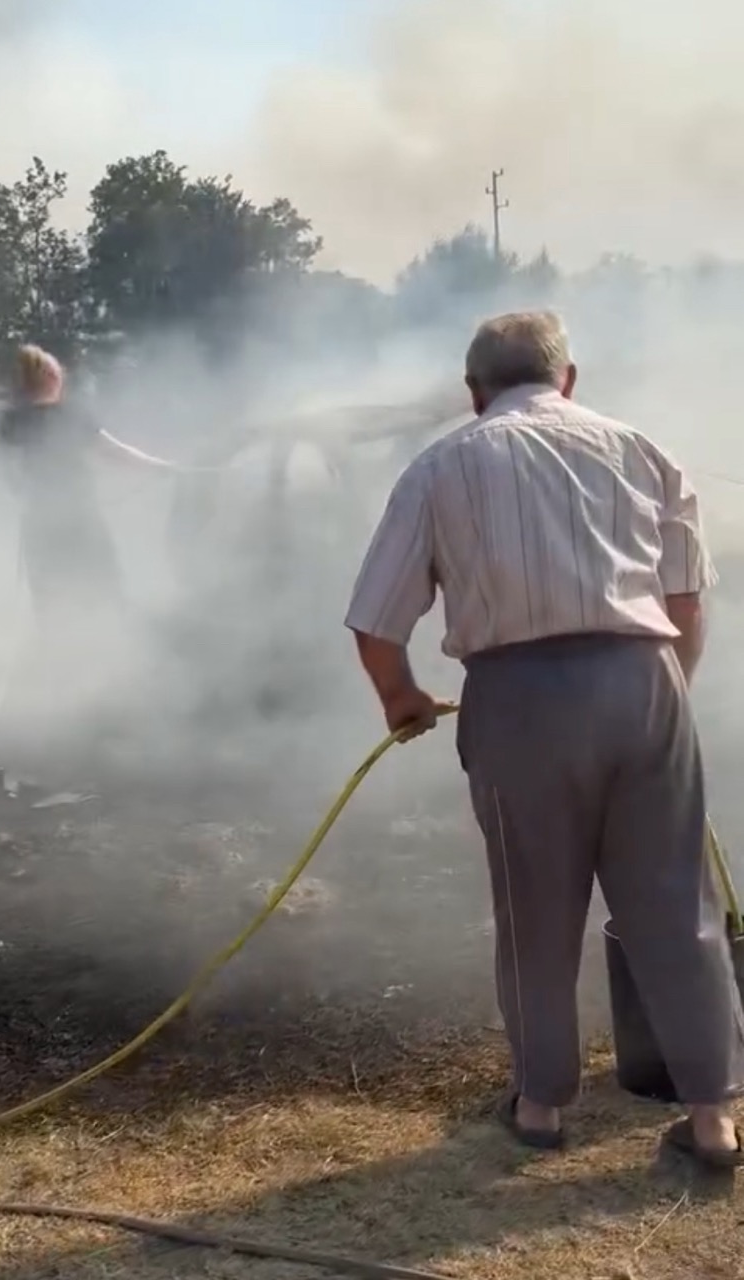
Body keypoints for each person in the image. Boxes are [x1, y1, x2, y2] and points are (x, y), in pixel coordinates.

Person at [344, 310, 744, 1166]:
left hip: (518, 698)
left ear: (472, 391)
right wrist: (662, 697)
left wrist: (401, 697)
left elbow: (376, 623)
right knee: (676, 904)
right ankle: (712, 1116)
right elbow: (685, 606)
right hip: (645, 682)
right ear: (567, 378)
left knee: (534, 911)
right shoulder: (640, 449)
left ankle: (539, 1109)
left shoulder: (442, 463)